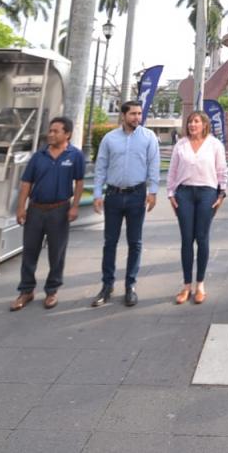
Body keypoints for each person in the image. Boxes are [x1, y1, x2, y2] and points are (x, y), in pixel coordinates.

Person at [91, 100, 160, 308]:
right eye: (133, 114)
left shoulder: (149, 137)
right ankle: (107, 286)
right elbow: (101, 167)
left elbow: (153, 165)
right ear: (123, 116)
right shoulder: (109, 139)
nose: (137, 117)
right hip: (113, 195)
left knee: (135, 242)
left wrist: (153, 192)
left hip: (137, 195)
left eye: (139, 113)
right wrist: (97, 193)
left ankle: (130, 286)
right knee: (109, 242)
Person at [11, 117, 84, 311]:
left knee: (57, 252)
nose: (51, 134)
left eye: (55, 131)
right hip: (36, 210)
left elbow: (79, 182)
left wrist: (75, 206)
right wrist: (21, 207)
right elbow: (26, 183)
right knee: (30, 251)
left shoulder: (75, 156)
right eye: (50, 130)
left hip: (60, 210)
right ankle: (26, 290)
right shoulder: (38, 156)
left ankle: (52, 291)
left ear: (67, 134)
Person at [167, 110, 228, 304]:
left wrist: (221, 194)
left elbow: (222, 171)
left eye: (196, 121)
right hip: (184, 193)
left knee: (202, 238)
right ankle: (186, 286)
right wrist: (171, 194)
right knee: (187, 239)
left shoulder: (215, 145)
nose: (192, 125)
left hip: (207, 193)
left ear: (204, 124)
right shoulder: (181, 145)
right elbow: (172, 171)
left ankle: (200, 284)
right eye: (190, 122)